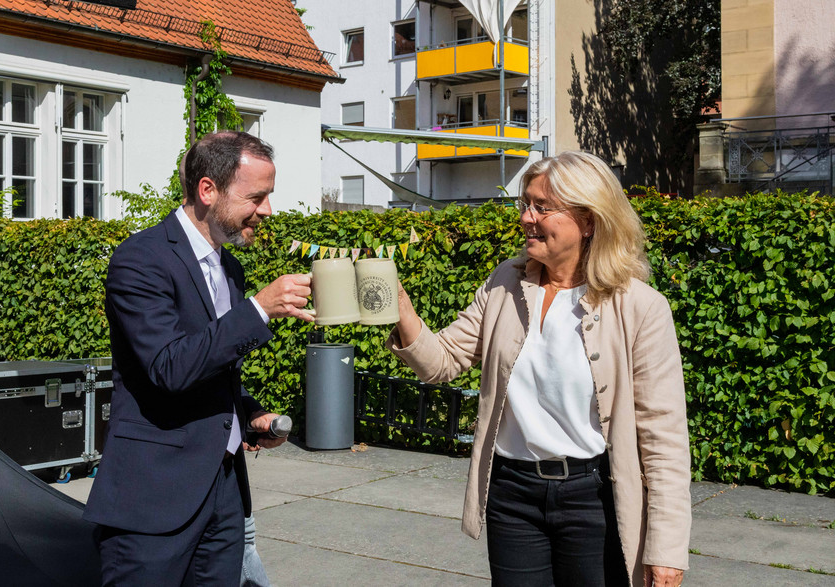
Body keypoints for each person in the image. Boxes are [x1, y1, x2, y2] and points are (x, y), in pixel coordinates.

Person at [387, 151, 691, 586]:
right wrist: (401, 307)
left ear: (588, 220)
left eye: (542, 207)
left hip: (594, 499)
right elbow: (443, 361)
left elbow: (664, 437)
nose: (527, 217)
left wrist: (666, 547)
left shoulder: (639, 307)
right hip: (513, 496)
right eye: (525, 204)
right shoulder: (504, 284)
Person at [83, 130, 313, 585]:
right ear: (207, 190)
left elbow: (212, 365)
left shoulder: (230, 266)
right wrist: (260, 310)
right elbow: (169, 366)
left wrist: (249, 413)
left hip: (224, 493)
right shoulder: (140, 258)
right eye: (257, 197)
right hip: (154, 499)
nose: (267, 210)